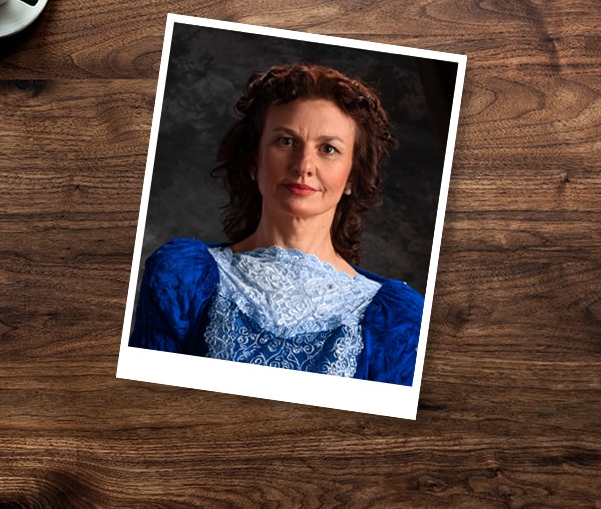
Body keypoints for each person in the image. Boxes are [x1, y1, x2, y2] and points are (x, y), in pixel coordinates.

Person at [129, 64, 423, 386]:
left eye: (328, 149)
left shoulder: (399, 319)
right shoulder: (180, 278)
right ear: (254, 160)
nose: (303, 166)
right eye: (286, 141)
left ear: (352, 175)